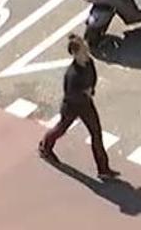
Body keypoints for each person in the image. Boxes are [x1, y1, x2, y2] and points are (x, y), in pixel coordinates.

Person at [39, 33, 121, 179]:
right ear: (75, 54)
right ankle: (45, 146)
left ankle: (103, 169)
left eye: (86, 48)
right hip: (72, 106)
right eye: (83, 50)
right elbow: (70, 95)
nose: (87, 51)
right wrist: (85, 93)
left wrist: (91, 90)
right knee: (61, 128)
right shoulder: (72, 75)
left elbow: (93, 76)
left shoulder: (89, 62)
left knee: (96, 134)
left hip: (86, 104)